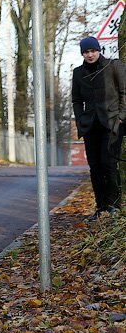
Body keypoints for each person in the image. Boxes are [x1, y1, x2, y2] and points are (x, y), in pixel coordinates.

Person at [72, 36, 125, 220]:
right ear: (82, 54)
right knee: (95, 168)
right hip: (90, 126)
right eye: (86, 52)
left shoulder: (113, 66)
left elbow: (124, 92)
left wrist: (121, 117)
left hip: (111, 124)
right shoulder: (78, 73)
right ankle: (101, 207)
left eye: (93, 51)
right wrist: (80, 120)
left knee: (109, 164)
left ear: (98, 50)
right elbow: (76, 100)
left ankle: (114, 205)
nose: (90, 54)